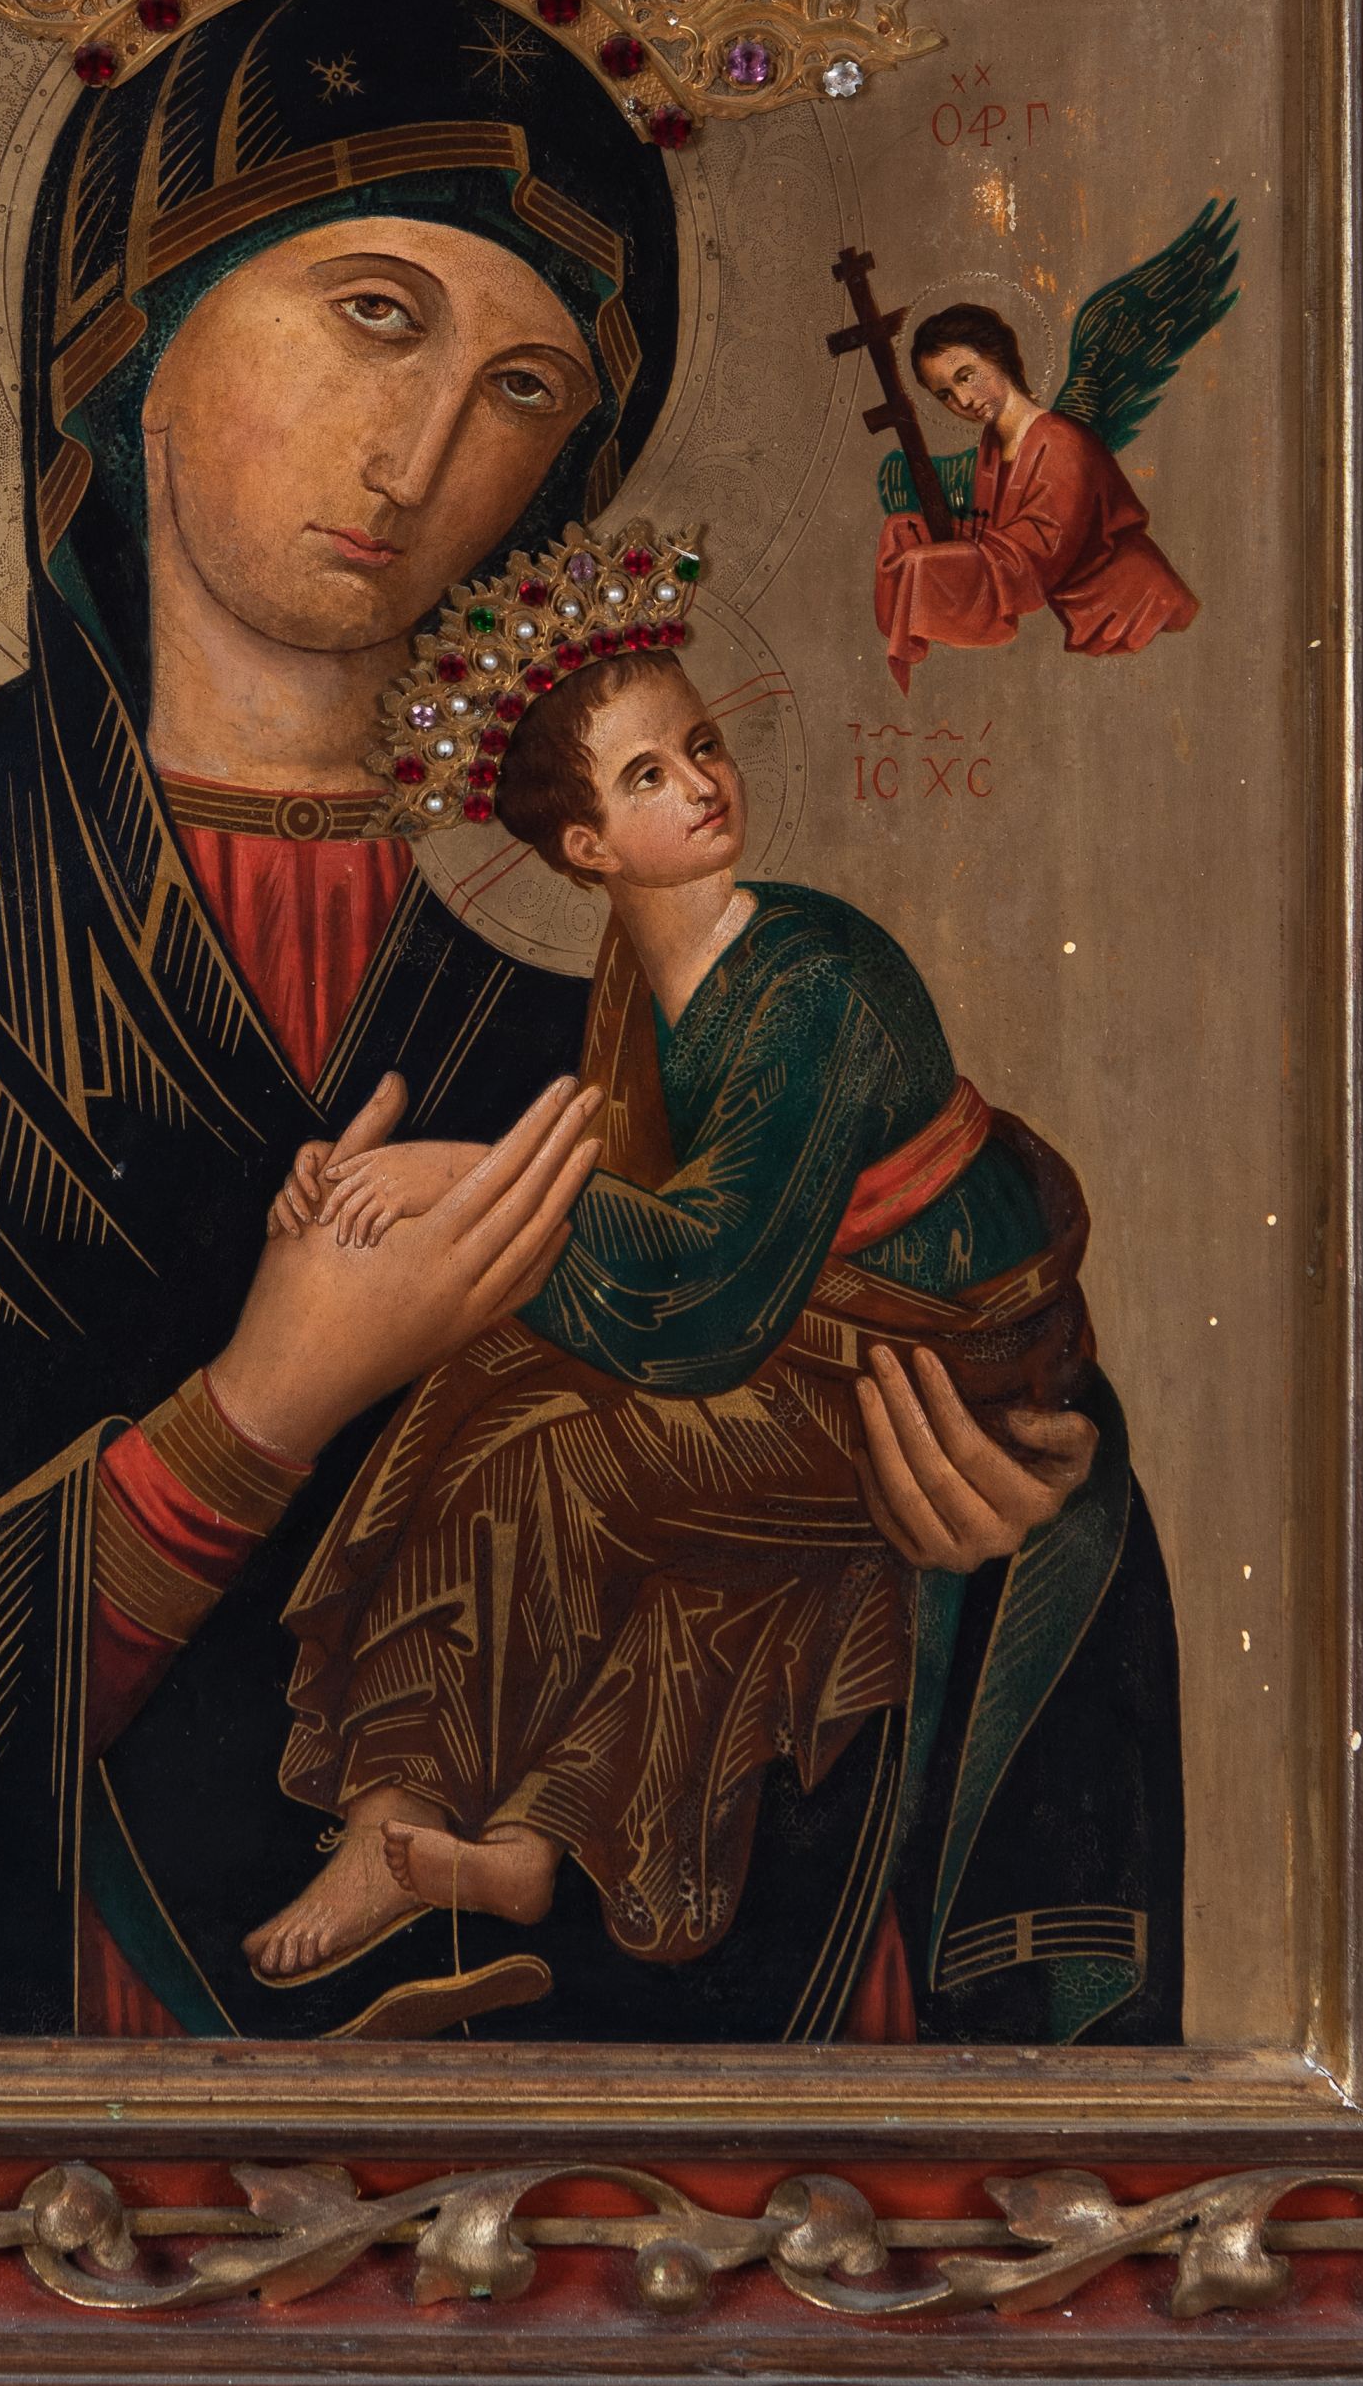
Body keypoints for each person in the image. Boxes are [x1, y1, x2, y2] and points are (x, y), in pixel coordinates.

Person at [0, 0, 1181, 2045]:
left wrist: (1004, 1530)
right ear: (131, 328)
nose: (419, 454)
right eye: (375, 314)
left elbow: (924, 1396)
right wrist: (250, 1418)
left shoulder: (636, 976)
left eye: (523, 385)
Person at [244, 601, 1099, 1989]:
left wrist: (450, 1176)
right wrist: (359, 1201)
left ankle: (416, 1823)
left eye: (702, 746)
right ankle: (479, 1832)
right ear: (586, 847)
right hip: (806, 1332)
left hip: (932, 1371)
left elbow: (701, 1293)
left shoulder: (810, 985)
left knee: (559, 1460)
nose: (704, 782)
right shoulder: (643, 975)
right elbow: (646, 1219)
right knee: (485, 1387)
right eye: (649, 773)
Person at [872, 303, 1197, 691]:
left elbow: (1036, 555)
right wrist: (924, 531)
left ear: (999, 358)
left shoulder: (1060, 443)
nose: (963, 400)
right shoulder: (993, 447)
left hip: (1139, 611)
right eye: (945, 394)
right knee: (903, 529)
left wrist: (932, 563)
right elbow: (999, 536)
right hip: (1090, 620)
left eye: (966, 376)